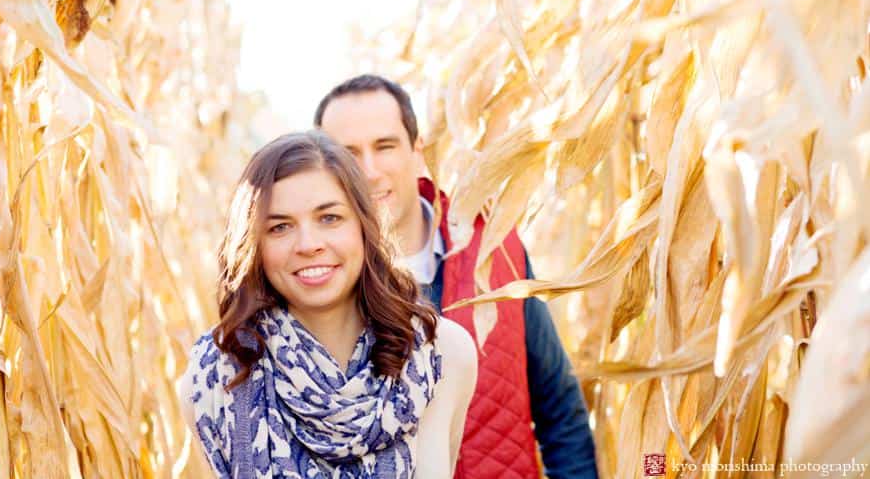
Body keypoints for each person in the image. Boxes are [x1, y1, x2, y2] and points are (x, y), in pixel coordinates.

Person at [315, 75, 598, 479]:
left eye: (385, 146)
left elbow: (560, 412)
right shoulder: (315, 286)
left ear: (416, 153)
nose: (370, 171)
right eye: (348, 155)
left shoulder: (494, 253)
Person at [180, 131, 478, 478]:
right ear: (255, 245)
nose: (308, 244)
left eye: (330, 218)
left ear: (364, 227)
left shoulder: (443, 354)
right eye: (279, 227)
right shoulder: (214, 380)